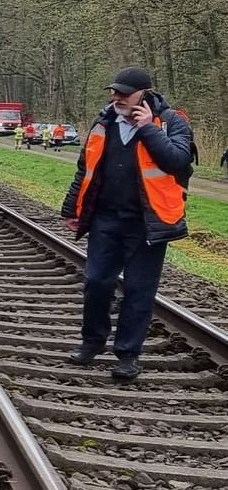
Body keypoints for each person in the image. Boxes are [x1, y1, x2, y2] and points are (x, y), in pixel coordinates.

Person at [61, 67, 192, 380]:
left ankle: (128, 355)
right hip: (106, 219)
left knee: (139, 291)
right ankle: (91, 342)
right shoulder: (103, 122)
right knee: (96, 282)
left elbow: (178, 161)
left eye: (123, 92)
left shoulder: (172, 122)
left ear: (144, 94)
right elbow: (85, 169)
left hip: (149, 223)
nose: (116, 96)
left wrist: (148, 129)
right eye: (114, 91)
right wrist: (72, 208)